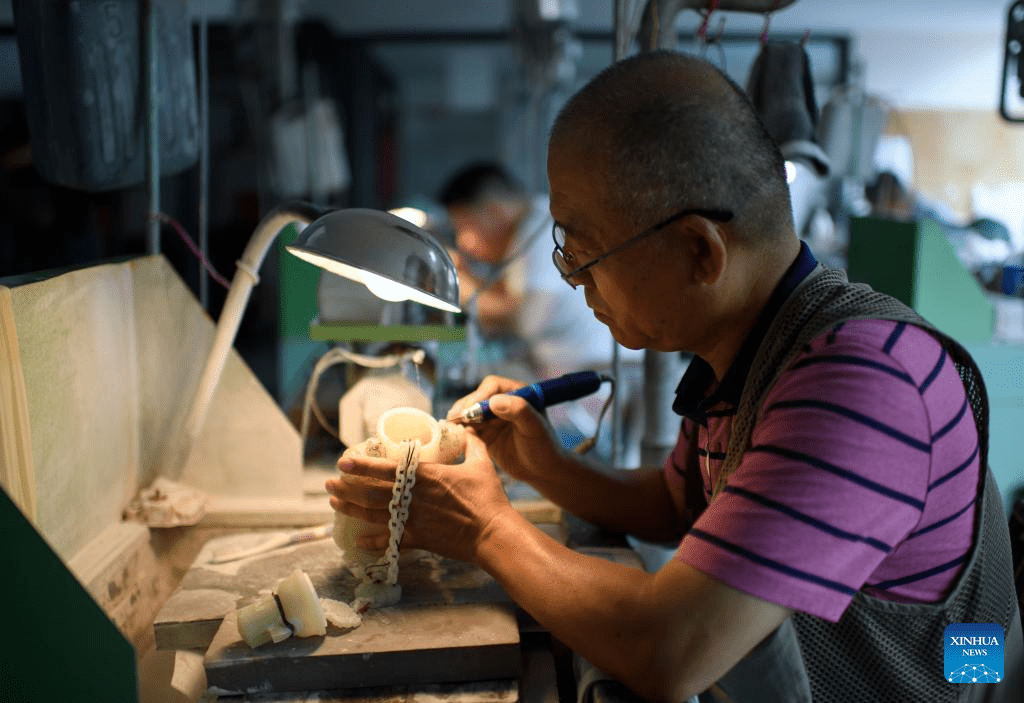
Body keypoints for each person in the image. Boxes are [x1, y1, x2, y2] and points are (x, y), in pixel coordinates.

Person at [327, 51, 1022, 702]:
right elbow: (680, 504)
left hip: (953, 679)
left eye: (586, 250)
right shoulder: (748, 357)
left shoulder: (861, 383)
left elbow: (672, 648)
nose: (573, 279)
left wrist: (482, 525)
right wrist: (541, 463)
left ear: (698, 250)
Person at [438, 161, 630, 379]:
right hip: (576, 371)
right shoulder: (523, 233)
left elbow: (525, 321)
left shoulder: (542, 230)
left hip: (602, 374)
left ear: (494, 211)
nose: (463, 243)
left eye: (463, 227)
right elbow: (502, 304)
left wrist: (459, 284)